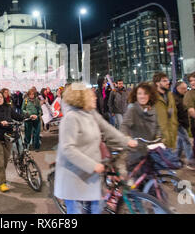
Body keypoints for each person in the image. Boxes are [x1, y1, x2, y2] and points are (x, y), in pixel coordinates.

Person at [54, 83, 138, 214]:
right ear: (80, 97)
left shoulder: (91, 113)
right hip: (73, 176)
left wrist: (126, 141)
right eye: (90, 94)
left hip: (90, 174)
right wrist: (92, 165)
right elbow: (68, 149)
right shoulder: (71, 118)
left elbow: (107, 128)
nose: (94, 97)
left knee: (97, 207)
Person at [0, 91, 36, 192]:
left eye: (1, 97)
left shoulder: (8, 108)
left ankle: (1, 176)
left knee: (4, 160)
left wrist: (29, 116)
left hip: (8, 137)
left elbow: (18, 116)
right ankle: (2, 183)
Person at [120, 82, 162, 173]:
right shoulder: (133, 109)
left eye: (145, 93)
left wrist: (158, 137)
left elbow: (157, 126)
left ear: (150, 95)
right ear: (136, 95)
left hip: (151, 152)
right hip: (136, 153)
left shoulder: (153, 109)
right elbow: (124, 125)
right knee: (138, 183)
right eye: (139, 93)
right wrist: (127, 138)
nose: (142, 96)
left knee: (152, 180)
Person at [152, 73, 178, 150]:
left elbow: (174, 112)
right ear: (157, 83)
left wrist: (175, 124)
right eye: (164, 81)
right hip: (159, 136)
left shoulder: (170, 95)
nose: (168, 82)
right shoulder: (152, 97)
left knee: (171, 158)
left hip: (171, 133)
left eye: (167, 80)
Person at [173, 82, 195, 169]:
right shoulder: (174, 98)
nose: (185, 90)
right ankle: (190, 161)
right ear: (177, 88)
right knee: (186, 141)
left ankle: (175, 159)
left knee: (180, 142)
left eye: (186, 88)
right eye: (183, 88)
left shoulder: (184, 97)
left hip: (184, 122)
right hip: (178, 123)